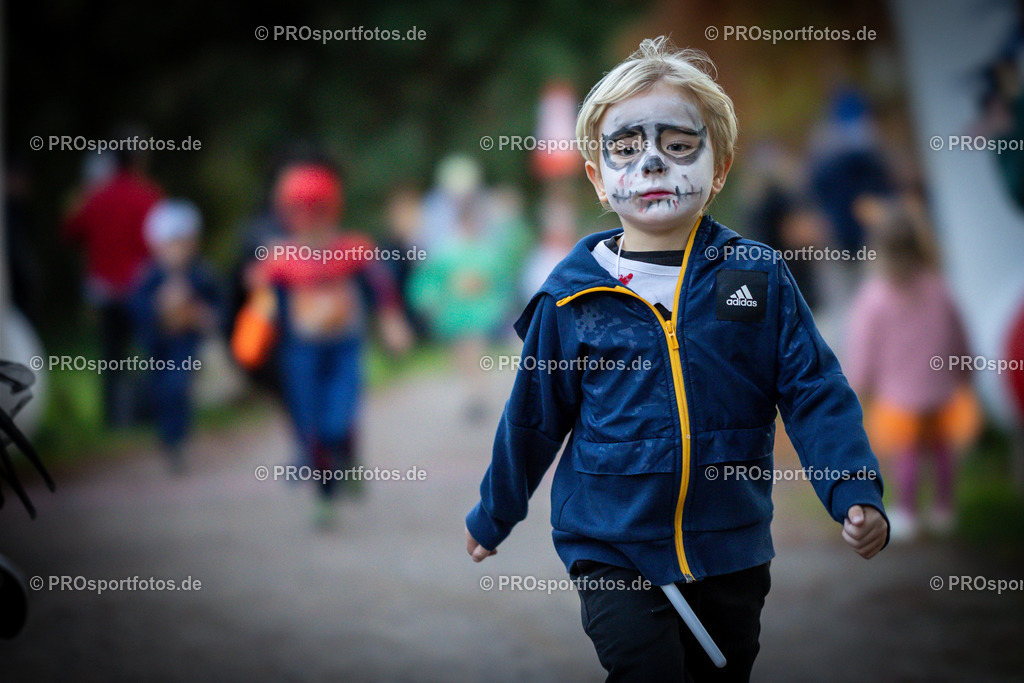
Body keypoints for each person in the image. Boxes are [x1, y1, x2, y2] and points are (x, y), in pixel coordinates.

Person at [464, 37, 889, 681]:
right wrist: (495, 512)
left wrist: (853, 487)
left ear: (719, 167)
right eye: (627, 148)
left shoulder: (756, 278)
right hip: (612, 545)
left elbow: (814, 390)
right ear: (596, 176)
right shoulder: (571, 298)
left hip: (730, 547)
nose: (654, 162)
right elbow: (532, 419)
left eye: (679, 144)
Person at [235, 162, 411, 528]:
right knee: (311, 424)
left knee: (339, 418)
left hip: (344, 349)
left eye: (318, 210)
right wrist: (252, 338)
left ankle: (347, 456)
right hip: (301, 353)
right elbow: (262, 306)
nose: (311, 219)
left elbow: (382, 287)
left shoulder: (353, 249)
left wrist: (392, 321)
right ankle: (325, 494)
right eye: (302, 211)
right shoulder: (280, 259)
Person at [846, 196, 980, 541]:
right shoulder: (938, 289)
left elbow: (864, 346)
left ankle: (906, 511)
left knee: (907, 453)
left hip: (899, 396)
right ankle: (943, 508)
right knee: (941, 448)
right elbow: (958, 333)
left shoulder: (874, 297)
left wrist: (860, 382)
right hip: (940, 390)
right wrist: (965, 370)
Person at [63, 149, 163, 427]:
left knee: (111, 356)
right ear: (136, 162)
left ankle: (114, 418)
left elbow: (70, 231)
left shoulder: (94, 196)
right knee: (146, 351)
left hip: (103, 289)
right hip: (139, 287)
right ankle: (149, 413)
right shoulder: (148, 194)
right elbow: (160, 240)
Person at [132, 200, 221, 473]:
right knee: (161, 390)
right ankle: (167, 437)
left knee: (178, 385)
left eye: (183, 243)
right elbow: (136, 306)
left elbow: (218, 307)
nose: (177, 251)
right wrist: (158, 307)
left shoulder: (201, 274)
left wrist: (202, 314)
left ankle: (177, 438)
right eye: (172, 244)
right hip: (158, 344)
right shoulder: (150, 276)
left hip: (186, 344)